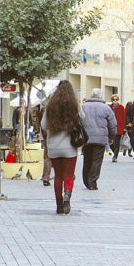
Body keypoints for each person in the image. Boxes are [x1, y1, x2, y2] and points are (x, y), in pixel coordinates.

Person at [41, 80, 84, 214]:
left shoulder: (50, 106)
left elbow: (44, 126)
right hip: (70, 147)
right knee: (69, 175)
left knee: (58, 176)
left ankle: (59, 205)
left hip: (54, 147)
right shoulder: (75, 105)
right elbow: (83, 118)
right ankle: (67, 194)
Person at [81, 88, 117, 190]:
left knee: (87, 160)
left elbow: (77, 121)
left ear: (91, 96)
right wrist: (111, 137)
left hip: (86, 138)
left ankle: (86, 181)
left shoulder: (83, 107)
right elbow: (113, 124)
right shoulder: (106, 108)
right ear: (101, 96)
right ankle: (92, 181)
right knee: (96, 161)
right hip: (100, 138)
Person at [109, 94, 126, 162]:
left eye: (116, 99)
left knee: (117, 142)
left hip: (119, 127)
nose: (115, 101)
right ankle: (114, 153)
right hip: (111, 127)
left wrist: (124, 127)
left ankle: (115, 156)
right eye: (113, 100)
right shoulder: (109, 107)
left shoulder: (121, 107)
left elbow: (124, 117)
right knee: (111, 143)